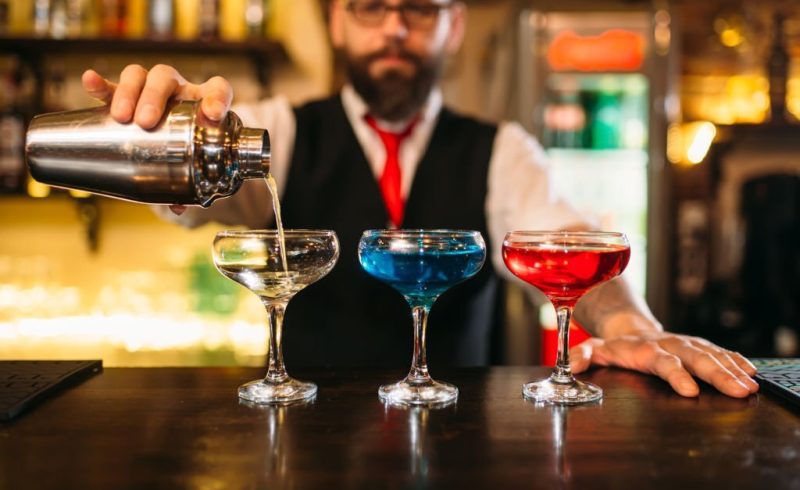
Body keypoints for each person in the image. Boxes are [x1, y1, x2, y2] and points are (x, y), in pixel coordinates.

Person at [81, 0, 758, 398]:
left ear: (453, 25)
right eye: (370, 7)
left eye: (420, 8)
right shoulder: (281, 131)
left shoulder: (503, 149)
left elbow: (567, 246)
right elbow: (194, 197)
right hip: (309, 449)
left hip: (466, 450)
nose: (395, 28)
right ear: (335, 23)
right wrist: (167, 140)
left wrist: (635, 331)